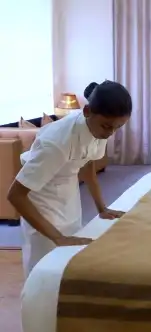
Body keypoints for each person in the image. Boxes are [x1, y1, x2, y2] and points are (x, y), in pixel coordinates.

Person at [7, 80, 132, 277]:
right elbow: (15, 195)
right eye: (107, 126)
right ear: (87, 111)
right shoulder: (56, 142)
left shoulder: (98, 129)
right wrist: (58, 237)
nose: (110, 133)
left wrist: (102, 209)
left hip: (67, 191)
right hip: (40, 198)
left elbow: (87, 165)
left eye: (118, 127)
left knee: (71, 255)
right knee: (44, 265)